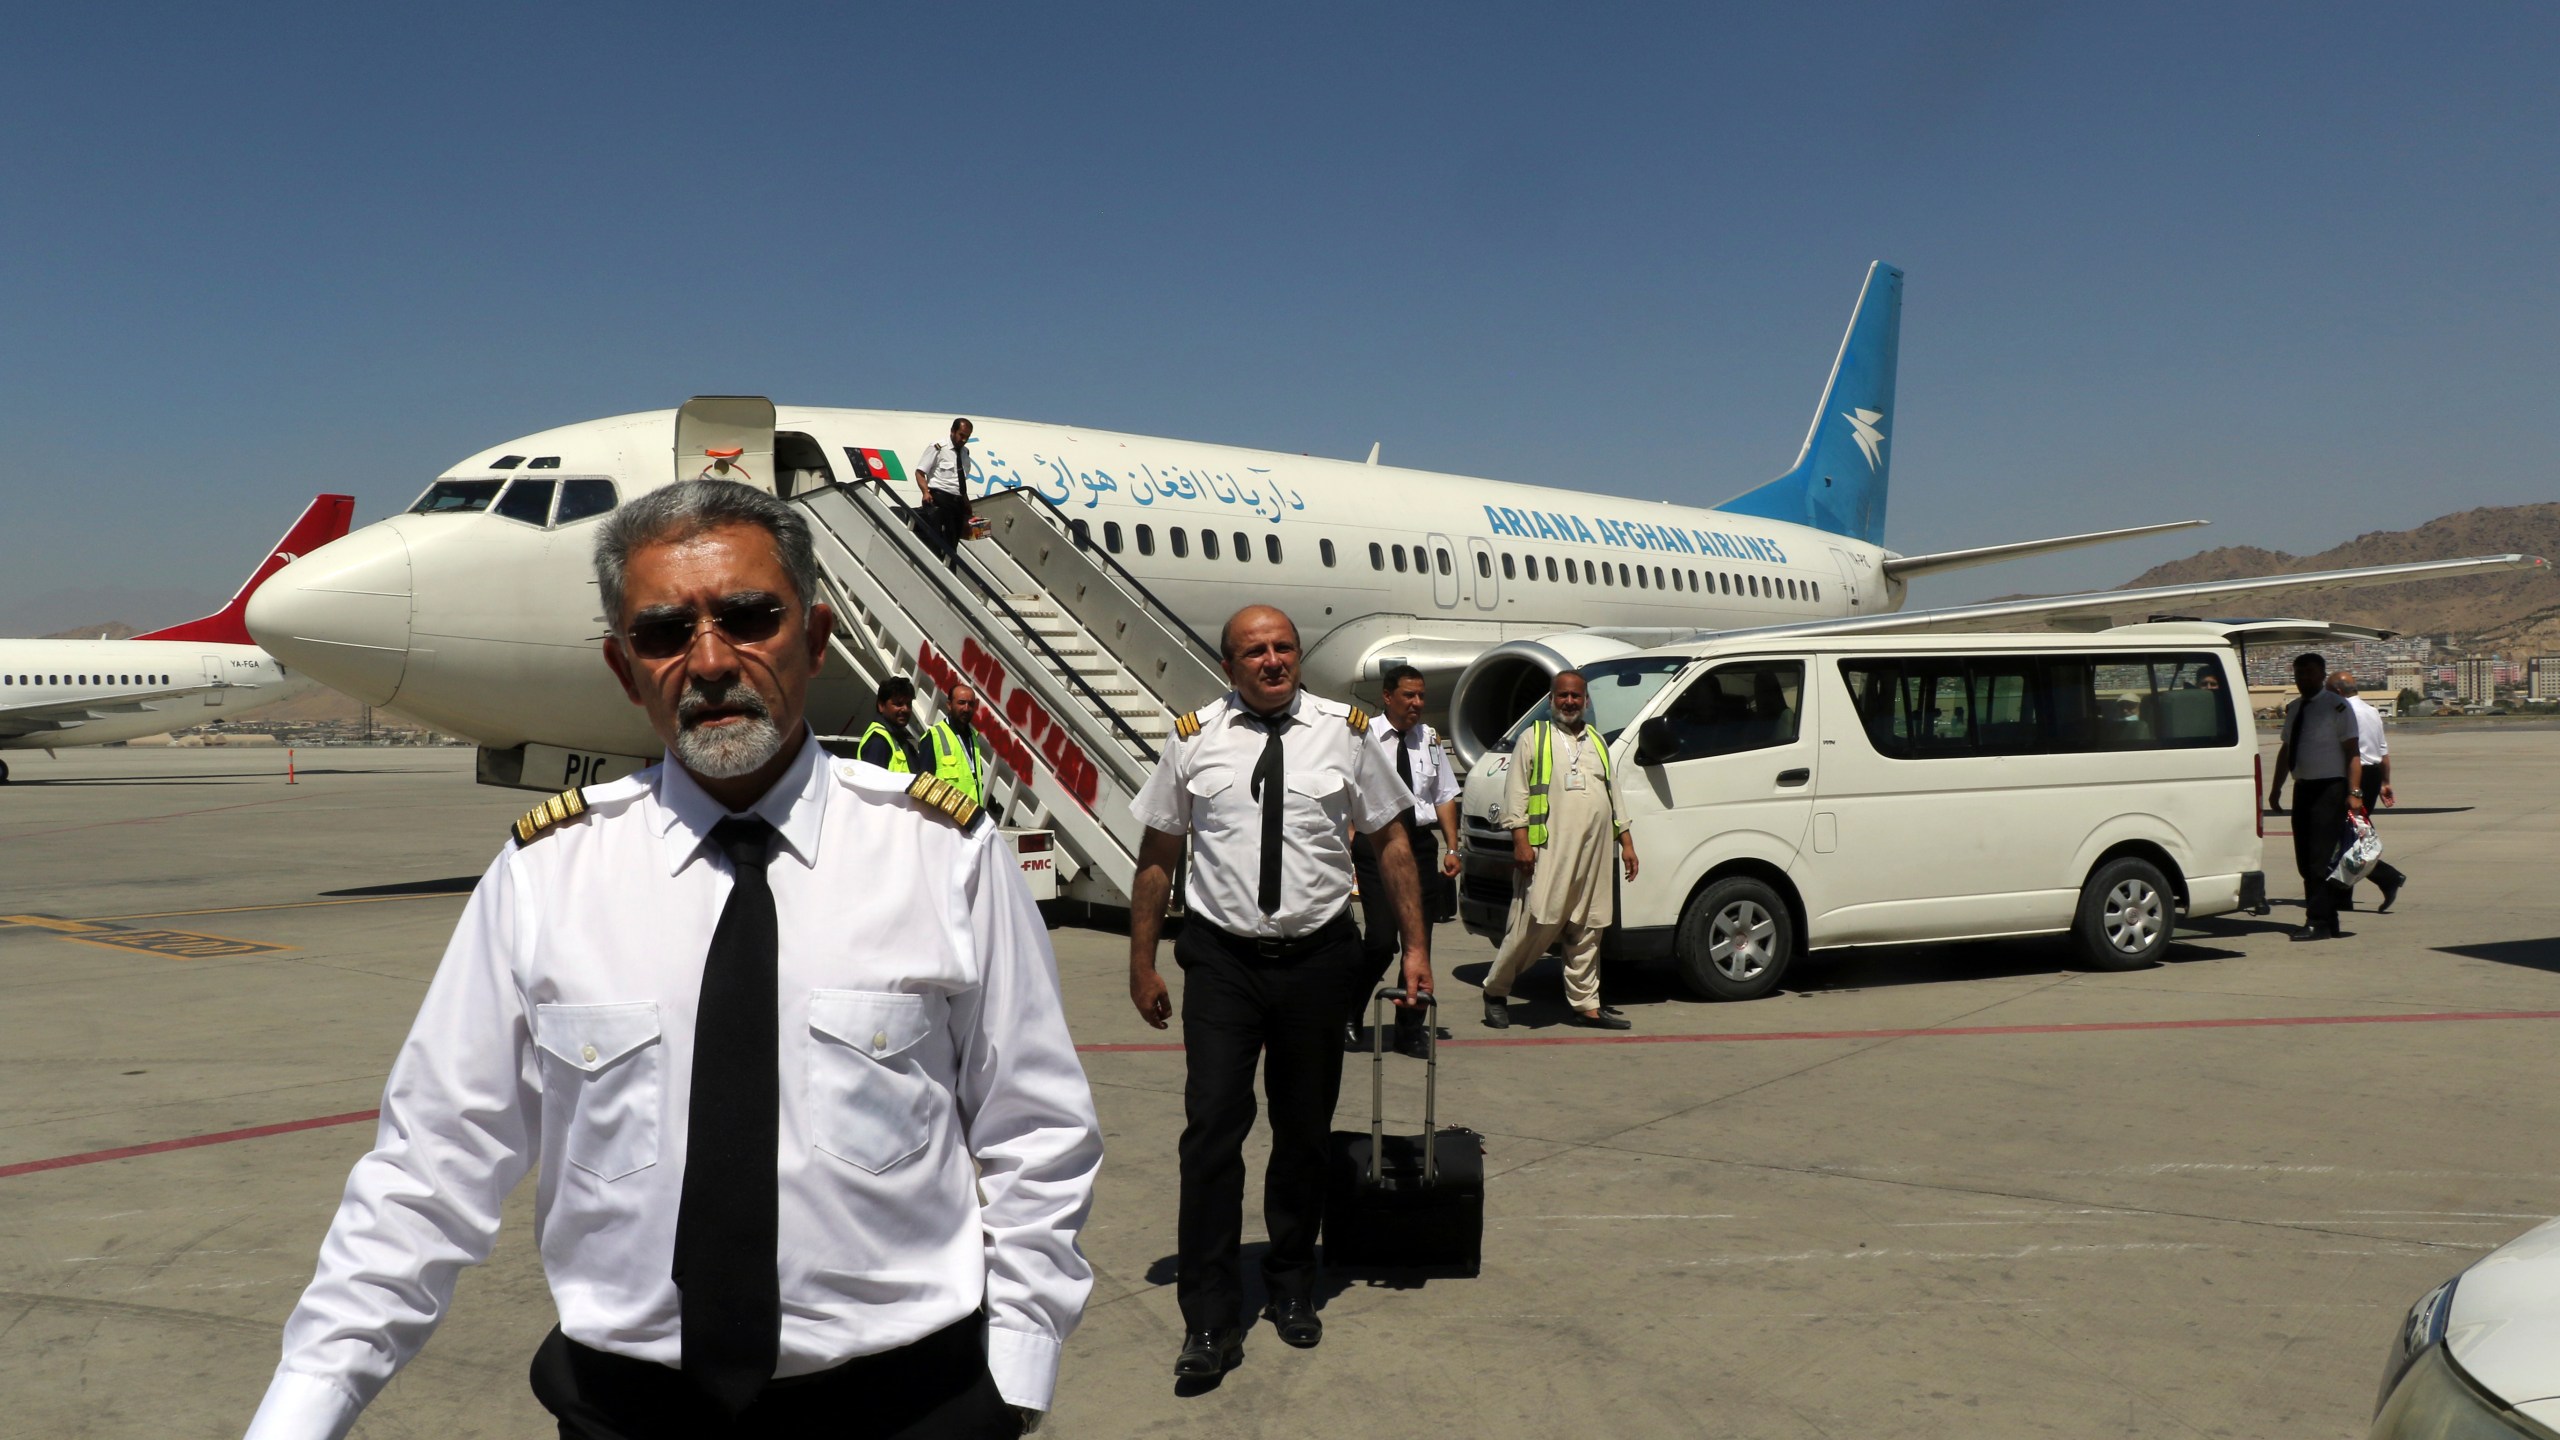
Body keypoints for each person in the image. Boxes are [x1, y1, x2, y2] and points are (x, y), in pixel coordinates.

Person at [244, 479, 1101, 1440]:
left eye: (748, 617)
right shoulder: (546, 880)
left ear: (814, 640)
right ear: (624, 666)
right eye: (663, 632)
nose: (709, 660)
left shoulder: (941, 856)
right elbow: (429, 1167)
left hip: (908, 1405)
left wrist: (1019, 1371)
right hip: (630, 1411)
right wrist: (302, 1411)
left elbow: (1035, 1130)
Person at [1124, 605, 1426, 1379]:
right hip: (1222, 961)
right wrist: (1143, 959)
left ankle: (1293, 1286)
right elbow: (1159, 850)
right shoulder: (1193, 737)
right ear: (1228, 666)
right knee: (1213, 1136)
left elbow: (1390, 839)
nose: (1272, 660)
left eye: (1283, 647)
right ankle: (1211, 1320)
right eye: (1254, 651)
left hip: (1320, 957)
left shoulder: (1347, 731)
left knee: (1302, 1133)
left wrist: (1417, 945)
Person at [1481, 670, 1639, 1030]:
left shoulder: (1597, 741)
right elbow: (1516, 795)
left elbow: (1614, 795)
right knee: (1534, 923)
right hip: (1548, 849)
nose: (1570, 702)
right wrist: (1520, 842)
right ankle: (1495, 990)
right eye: (1563, 696)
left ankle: (1586, 1004)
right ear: (1551, 700)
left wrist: (1626, 843)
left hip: (1595, 852)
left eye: (1576, 697)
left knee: (1589, 926)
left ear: (1586, 701)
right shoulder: (1533, 738)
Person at [1349, 663, 1461, 1056]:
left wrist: (1452, 846)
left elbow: (1445, 792)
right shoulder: (1364, 736)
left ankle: (1410, 1027)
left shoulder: (1428, 739)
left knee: (1420, 943)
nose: (1417, 703)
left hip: (1418, 844)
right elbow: (1347, 794)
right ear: (1387, 696)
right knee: (1380, 939)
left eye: (1421, 696)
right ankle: (1350, 1012)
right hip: (1375, 842)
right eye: (1409, 696)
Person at [2266, 652, 2365, 942]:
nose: (2303, 679)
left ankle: (2318, 920)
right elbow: (2287, 750)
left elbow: (2352, 752)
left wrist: (2355, 792)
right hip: (2304, 788)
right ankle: (2328, 919)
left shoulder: (2337, 706)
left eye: (2309, 673)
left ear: (2322, 675)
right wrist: (2276, 787)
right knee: (2304, 859)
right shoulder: (2295, 708)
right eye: (2298, 674)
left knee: (2319, 860)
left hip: (2330, 789)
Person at [2330, 673, 2408, 912]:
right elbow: (2383, 751)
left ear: (2338, 692)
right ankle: (2343, 895)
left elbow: (2346, 750)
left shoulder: (2344, 711)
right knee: (2351, 833)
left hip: (2355, 776)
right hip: (2372, 775)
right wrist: (2385, 781)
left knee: (2345, 834)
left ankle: (2387, 876)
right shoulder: (2372, 711)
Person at [913, 418, 975, 559]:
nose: (963, 440)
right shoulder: (938, 448)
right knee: (939, 541)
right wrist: (925, 492)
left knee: (953, 543)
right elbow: (920, 472)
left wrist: (966, 502)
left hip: (957, 502)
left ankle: (950, 570)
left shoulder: (965, 453)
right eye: (961, 435)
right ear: (952, 431)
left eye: (967, 437)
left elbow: (960, 482)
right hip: (940, 498)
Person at [856, 674, 927, 773]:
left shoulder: (899, 739)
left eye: (908, 704)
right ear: (881, 706)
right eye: (898, 704)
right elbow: (872, 784)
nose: (905, 709)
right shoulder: (878, 742)